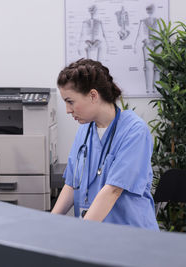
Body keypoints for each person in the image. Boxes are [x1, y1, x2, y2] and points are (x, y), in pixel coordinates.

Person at [51, 59, 159, 230]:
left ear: (93, 95)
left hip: (129, 236)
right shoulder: (84, 130)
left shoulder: (135, 131)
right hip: (95, 234)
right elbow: (71, 185)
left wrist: (81, 233)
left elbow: (113, 191)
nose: (67, 110)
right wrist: (49, 224)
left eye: (70, 101)